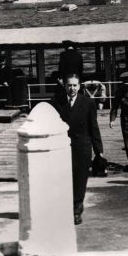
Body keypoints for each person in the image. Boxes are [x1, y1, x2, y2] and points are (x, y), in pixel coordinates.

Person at [51, 73, 104, 225]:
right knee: (64, 179)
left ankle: (76, 210)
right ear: (65, 86)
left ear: (79, 86)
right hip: (63, 147)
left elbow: (94, 127)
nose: (72, 88)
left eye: (75, 85)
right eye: (69, 85)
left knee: (80, 180)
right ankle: (65, 207)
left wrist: (99, 150)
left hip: (82, 147)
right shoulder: (56, 102)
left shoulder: (88, 103)